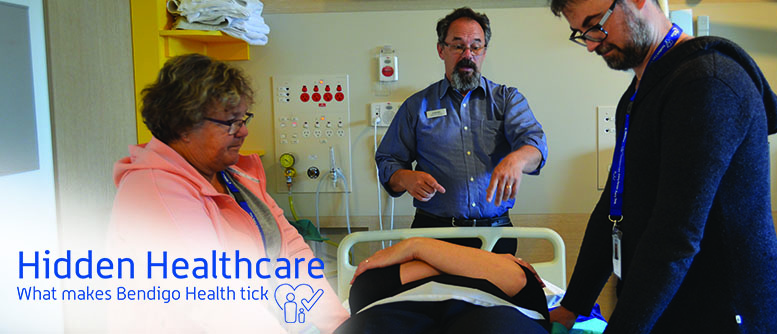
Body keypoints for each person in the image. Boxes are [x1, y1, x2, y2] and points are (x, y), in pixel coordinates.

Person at [547, 0, 777, 333]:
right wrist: (572, 307)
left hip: (731, 315)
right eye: (581, 33)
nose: (592, 43)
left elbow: (675, 236)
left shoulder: (706, 83)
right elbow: (612, 209)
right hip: (676, 307)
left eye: (596, 24)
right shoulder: (638, 96)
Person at [109, 54, 348, 333]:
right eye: (231, 122)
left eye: (243, 118)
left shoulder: (232, 176)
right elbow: (216, 302)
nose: (244, 130)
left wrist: (339, 326)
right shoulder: (154, 191)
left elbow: (292, 253)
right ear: (183, 126)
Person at [375, 7, 549, 255]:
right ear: (441, 50)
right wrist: (405, 177)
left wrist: (517, 159)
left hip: (496, 235)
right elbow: (387, 159)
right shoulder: (417, 106)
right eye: (458, 46)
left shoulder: (507, 100)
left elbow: (535, 145)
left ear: (484, 52)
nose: (468, 55)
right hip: (434, 234)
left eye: (476, 46)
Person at [334, 237, 550, 333]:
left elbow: (519, 280)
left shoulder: (514, 274)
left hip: (491, 311)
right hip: (387, 312)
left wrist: (416, 246)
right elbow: (365, 289)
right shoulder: (376, 274)